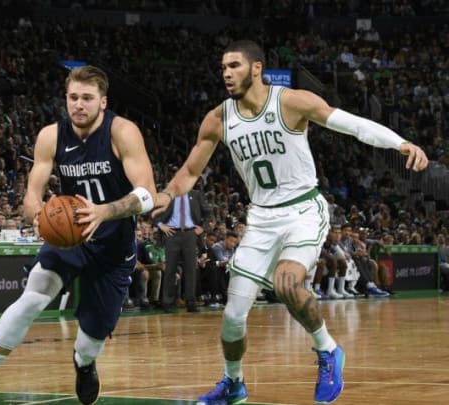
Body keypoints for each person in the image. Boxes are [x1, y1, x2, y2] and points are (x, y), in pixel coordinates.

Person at [151, 40, 428, 405]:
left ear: (256, 68)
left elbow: (351, 124)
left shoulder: (290, 102)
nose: (227, 73)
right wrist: (167, 195)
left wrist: (400, 143)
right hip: (261, 219)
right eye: (223, 68)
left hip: (302, 210)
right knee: (233, 316)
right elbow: (189, 171)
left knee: (286, 283)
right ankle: (233, 383)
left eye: (234, 65)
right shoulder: (219, 118)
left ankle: (328, 350)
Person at [0, 65, 157, 405]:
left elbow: (148, 195)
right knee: (32, 298)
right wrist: (41, 215)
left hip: (114, 244)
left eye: (87, 98)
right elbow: (31, 196)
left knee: (91, 339)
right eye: (73, 97)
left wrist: (104, 211)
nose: (78, 105)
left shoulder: (122, 132)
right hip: (69, 238)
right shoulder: (51, 136)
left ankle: (84, 364)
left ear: (103, 102)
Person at [154, 181, 210, 312]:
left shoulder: (196, 194)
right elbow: (154, 212)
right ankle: (168, 303)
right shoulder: (167, 196)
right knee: (170, 270)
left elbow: (208, 212)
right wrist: (161, 225)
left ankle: (191, 302)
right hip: (172, 233)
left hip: (191, 233)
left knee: (191, 269)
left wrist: (203, 227)